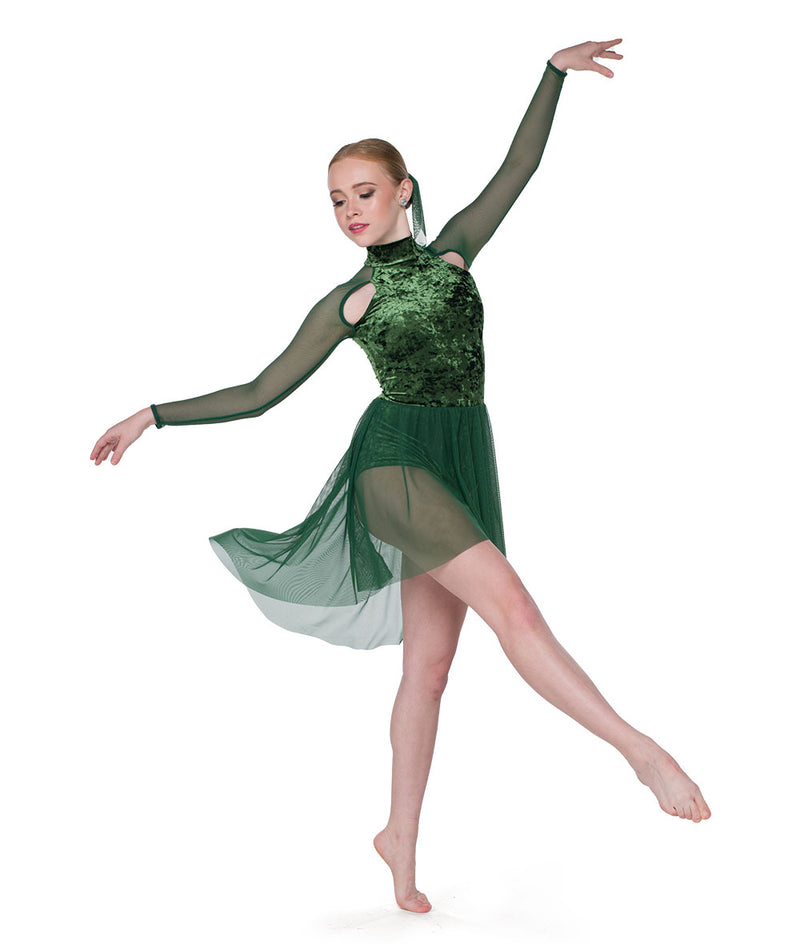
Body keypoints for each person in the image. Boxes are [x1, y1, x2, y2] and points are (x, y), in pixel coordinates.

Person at [91, 37, 711, 914]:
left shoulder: (454, 254)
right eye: (336, 200)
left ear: (403, 190)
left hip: (463, 456)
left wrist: (551, 76)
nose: (349, 210)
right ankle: (640, 752)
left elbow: (518, 170)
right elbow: (262, 392)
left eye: (364, 192)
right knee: (514, 609)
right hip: (395, 464)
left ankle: (399, 842)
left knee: (430, 669)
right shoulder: (350, 301)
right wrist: (154, 414)